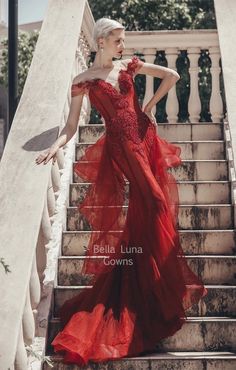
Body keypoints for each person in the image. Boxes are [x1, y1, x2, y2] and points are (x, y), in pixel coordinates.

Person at [35, 17, 207, 367]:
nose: (123, 46)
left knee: (152, 207)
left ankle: (148, 284)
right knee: (157, 202)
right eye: (117, 41)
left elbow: (171, 77)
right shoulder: (83, 82)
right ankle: (154, 287)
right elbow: (70, 126)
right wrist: (56, 145)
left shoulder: (130, 65)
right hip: (121, 149)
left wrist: (149, 105)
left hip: (143, 139)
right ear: (100, 42)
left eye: (123, 40)